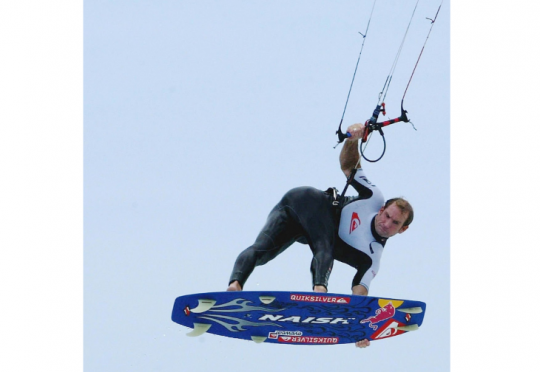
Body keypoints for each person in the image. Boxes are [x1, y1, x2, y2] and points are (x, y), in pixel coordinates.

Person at [226, 123, 414, 348]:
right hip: (303, 201)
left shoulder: (371, 259)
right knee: (311, 247)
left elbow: (359, 295)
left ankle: (239, 287)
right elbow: (348, 165)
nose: (387, 223)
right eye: (388, 216)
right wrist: (352, 140)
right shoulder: (373, 198)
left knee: (276, 251)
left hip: (302, 229)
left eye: (395, 223)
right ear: (382, 209)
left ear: (402, 230)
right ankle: (238, 288)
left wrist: (360, 328)